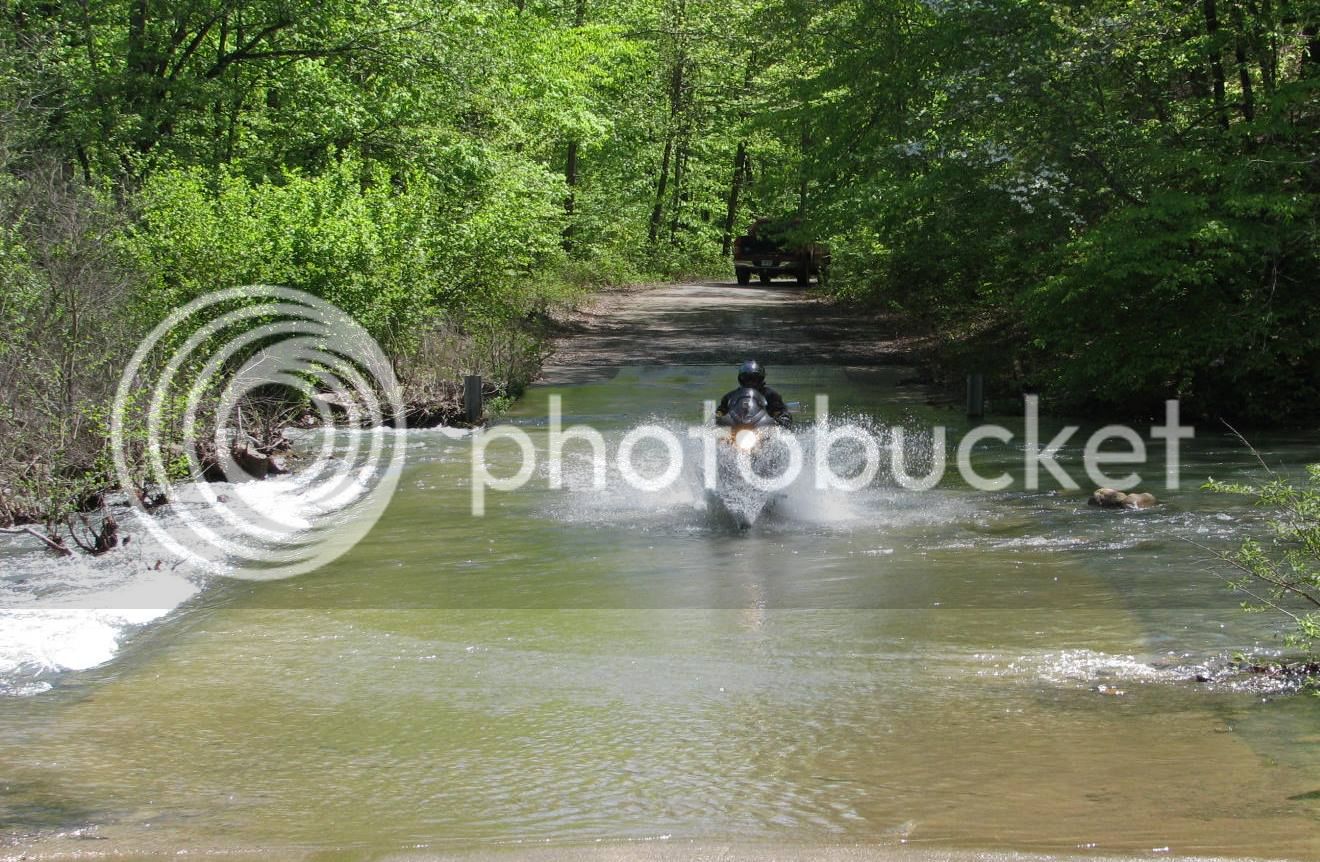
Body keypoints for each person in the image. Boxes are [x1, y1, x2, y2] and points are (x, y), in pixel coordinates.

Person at [716, 360, 791, 427]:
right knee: (720, 439)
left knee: (778, 438)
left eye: (754, 379)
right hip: (737, 427)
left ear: (760, 379)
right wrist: (718, 416)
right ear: (741, 379)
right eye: (747, 378)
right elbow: (721, 411)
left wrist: (783, 417)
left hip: (763, 429)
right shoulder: (730, 396)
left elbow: (780, 411)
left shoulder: (771, 395)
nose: (750, 382)